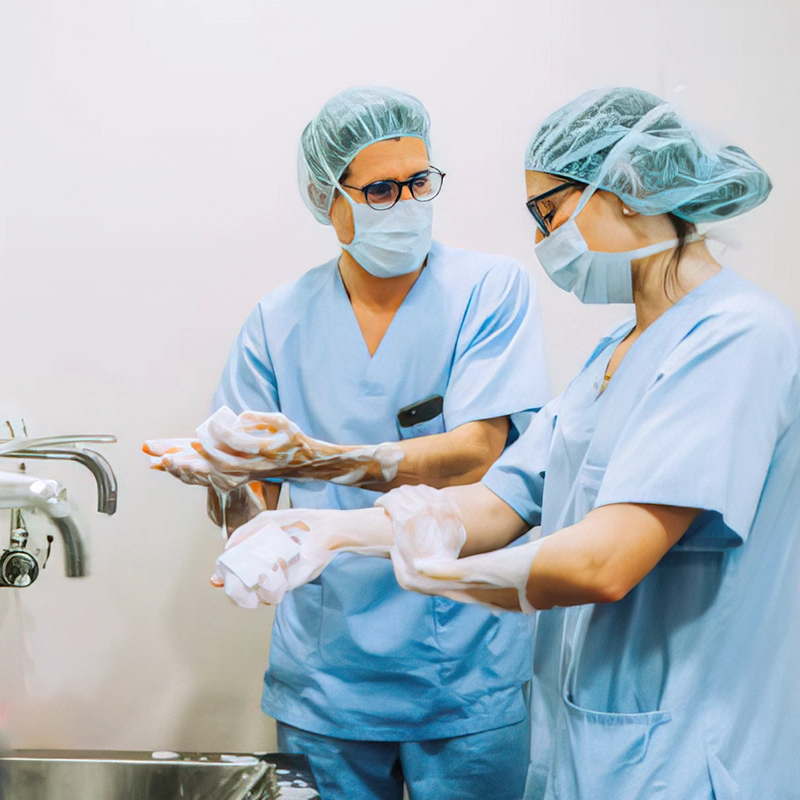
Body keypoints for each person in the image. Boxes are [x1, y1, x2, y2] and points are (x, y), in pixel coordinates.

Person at [228, 87, 800, 799]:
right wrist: (327, 529)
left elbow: (605, 562)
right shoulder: (616, 354)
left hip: (691, 755)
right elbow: (504, 497)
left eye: (549, 211)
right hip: (601, 747)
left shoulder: (735, 339)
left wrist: (438, 575)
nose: (541, 240)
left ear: (626, 190)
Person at [152, 86, 551, 800]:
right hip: (327, 682)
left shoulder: (489, 290)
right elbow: (256, 514)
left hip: (462, 670)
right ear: (326, 198)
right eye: (380, 189)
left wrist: (329, 459)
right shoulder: (278, 322)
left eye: (420, 182)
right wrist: (222, 479)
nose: (406, 204)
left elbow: (480, 451)